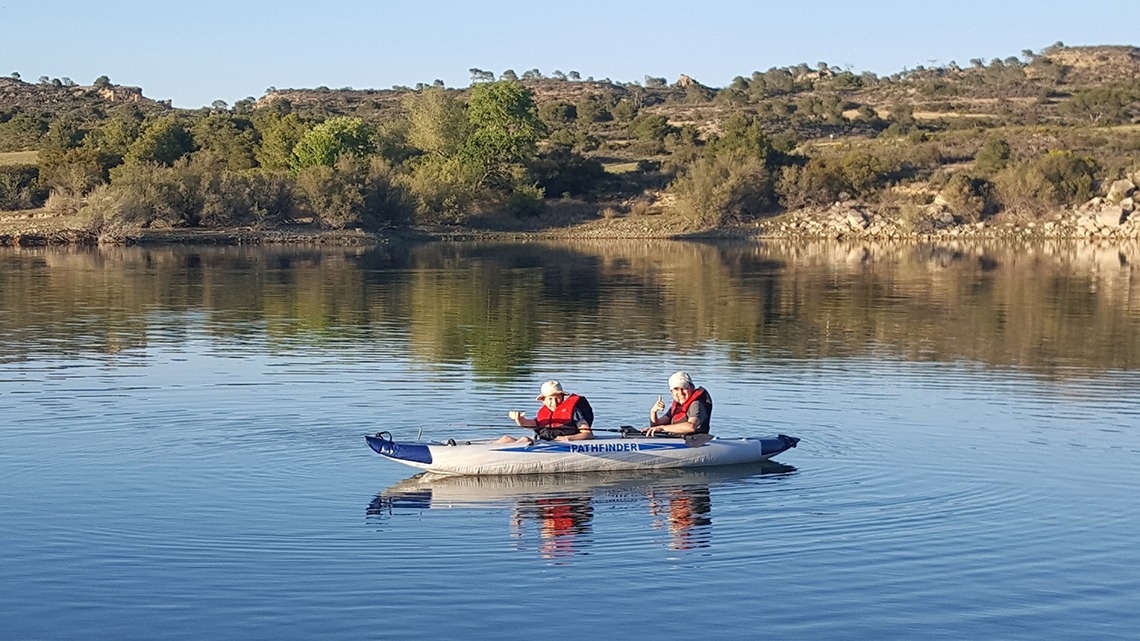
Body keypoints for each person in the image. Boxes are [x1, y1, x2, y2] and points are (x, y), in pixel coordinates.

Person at [497, 380, 594, 444]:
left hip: (561, 446)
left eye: (557, 398)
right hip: (542, 444)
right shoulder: (543, 413)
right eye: (550, 399)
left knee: (525, 439)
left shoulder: (575, 412)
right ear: (543, 400)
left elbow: (588, 434)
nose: (554, 402)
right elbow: (528, 424)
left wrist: (567, 438)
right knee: (506, 438)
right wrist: (519, 420)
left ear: (562, 397)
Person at [645, 371, 712, 436]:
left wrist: (662, 428)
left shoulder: (696, 404)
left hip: (695, 442)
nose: (680, 393)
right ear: (672, 392)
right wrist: (653, 412)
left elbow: (691, 426)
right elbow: (656, 425)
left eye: (684, 388)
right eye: (676, 389)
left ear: (692, 388)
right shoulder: (676, 407)